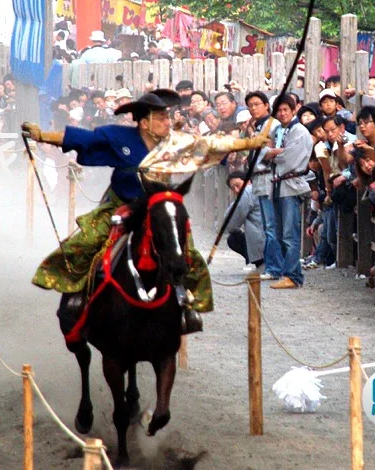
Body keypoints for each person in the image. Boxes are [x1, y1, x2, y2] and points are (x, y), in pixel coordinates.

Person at [21, 89, 269, 341]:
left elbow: (209, 145)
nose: (167, 122)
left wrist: (250, 143)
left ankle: (186, 304)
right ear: (144, 122)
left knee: (187, 252)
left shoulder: (175, 142)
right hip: (122, 203)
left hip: (160, 206)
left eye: (167, 117)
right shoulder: (118, 136)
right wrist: (42, 136)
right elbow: (83, 139)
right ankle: (77, 295)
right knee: (85, 240)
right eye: (161, 118)